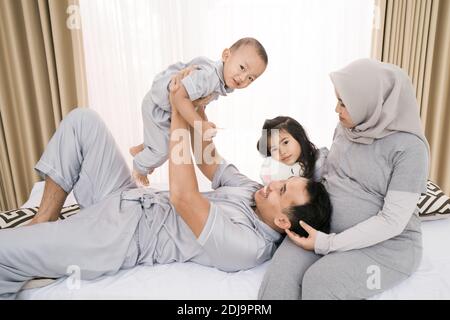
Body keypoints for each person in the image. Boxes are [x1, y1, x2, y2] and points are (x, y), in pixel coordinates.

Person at [0, 73, 331, 299]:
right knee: (82, 121)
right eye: (283, 181)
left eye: (283, 191)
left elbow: (183, 196)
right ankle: (43, 222)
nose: (274, 185)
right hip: (129, 198)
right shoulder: (252, 192)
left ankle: (36, 251)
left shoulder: (247, 245)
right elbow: (208, 159)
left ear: (285, 222)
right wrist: (194, 105)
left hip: (121, 236)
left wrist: (177, 113)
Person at [258, 58, 430, 300]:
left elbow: (393, 221)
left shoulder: (410, 150)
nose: (336, 110)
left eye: (343, 103)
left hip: (387, 248)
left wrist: (327, 244)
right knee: (280, 276)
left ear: (371, 102)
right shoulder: (348, 127)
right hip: (325, 226)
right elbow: (329, 173)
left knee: (321, 282)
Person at [129, 37, 268, 186]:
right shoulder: (210, 76)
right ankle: (140, 167)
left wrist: (203, 119)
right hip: (158, 106)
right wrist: (201, 125)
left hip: (163, 107)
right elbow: (178, 95)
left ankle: (143, 148)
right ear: (226, 55)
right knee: (164, 150)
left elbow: (197, 101)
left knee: (164, 140)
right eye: (242, 68)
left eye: (250, 78)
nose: (243, 78)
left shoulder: (223, 80)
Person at [256, 116, 328, 184]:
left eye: (285, 142)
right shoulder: (275, 174)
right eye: (274, 149)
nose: (282, 152)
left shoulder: (321, 161)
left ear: (299, 137)